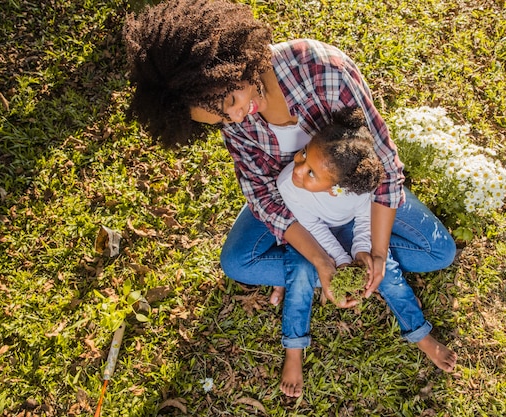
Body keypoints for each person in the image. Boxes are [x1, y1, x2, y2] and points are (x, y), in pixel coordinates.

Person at [123, 0, 458, 398]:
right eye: (220, 121)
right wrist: (322, 259)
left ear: (232, 61)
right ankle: (322, 262)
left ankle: (318, 265)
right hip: (297, 205)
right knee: (235, 262)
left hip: (357, 195)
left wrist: (378, 253)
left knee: (438, 253)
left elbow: (383, 169)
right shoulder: (234, 119)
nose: (237, 118)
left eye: (230, 102)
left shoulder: (320, 67)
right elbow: (264, 197)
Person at [277, 107, 457, 397]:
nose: (298, 168)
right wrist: (343, 263)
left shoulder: (358, 185)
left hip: (352, 229)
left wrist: (365, 251)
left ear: (338, 187)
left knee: (386, 272)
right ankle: (294, 349)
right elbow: (312, 227)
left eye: (310, 172)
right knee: (298, 273)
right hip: (312, 238)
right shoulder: (289, 184)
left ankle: (420, 334)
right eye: (303, 155)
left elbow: (364, 217)